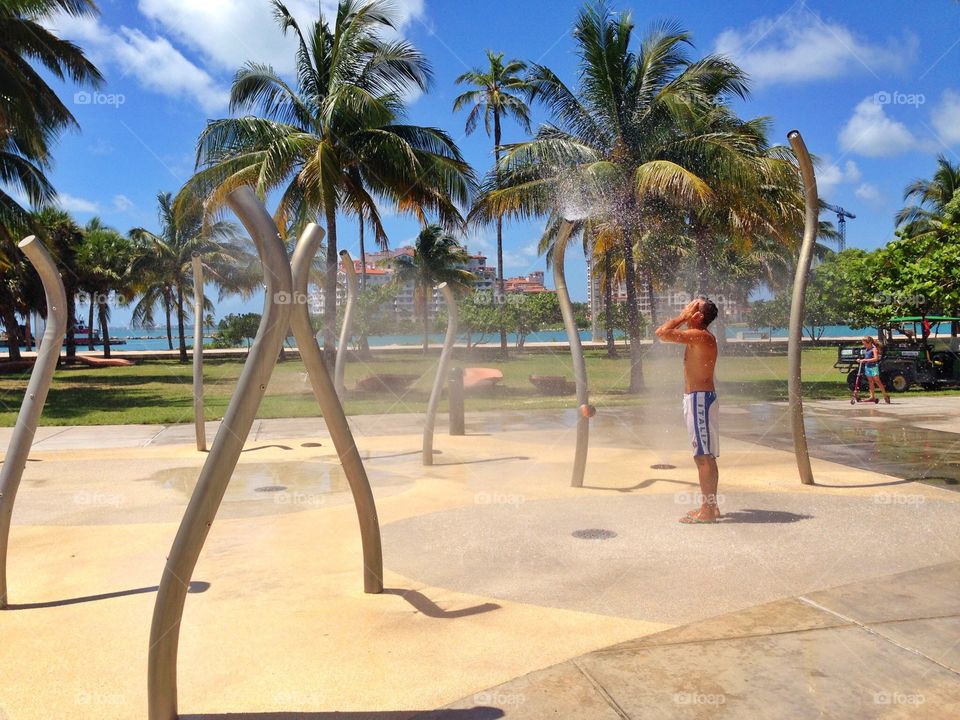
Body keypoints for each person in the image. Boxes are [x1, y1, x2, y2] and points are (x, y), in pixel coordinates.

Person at [655, 297, 721, 524]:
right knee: (705, 456)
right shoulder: (700, 337)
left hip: (699, 400)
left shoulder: (700, 335)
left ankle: (707, 511)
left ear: (698, 316)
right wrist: (685, 316)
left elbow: (661, 333)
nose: (686, 309)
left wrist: (682, 317)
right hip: (698, 399)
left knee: (702, 457)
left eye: (692, 307)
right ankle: (711, 507)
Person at [860, 336, 890, 404]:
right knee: (870, 382)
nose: (864, 345)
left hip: (873, 367)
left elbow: (876, 358)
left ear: (870, 342)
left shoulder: (874, 349)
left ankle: (885, 396)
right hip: (867, 367)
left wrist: (865, 360)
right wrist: (862, 360)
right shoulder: (867, 349)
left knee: (877, 381)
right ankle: (872, 397)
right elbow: (867, 358)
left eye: (865, 344)